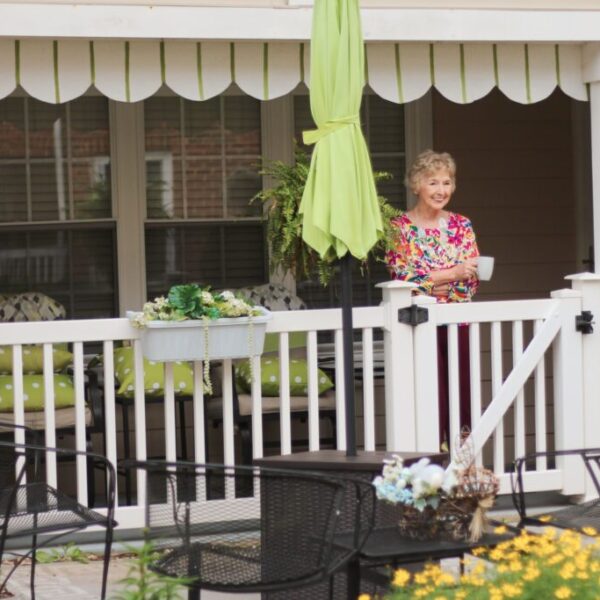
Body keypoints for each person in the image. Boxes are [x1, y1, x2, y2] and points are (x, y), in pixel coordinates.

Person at [386, 149, 480, 447]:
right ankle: (430, 464)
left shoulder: (461, 225)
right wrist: (449, 274)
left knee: (461, 395)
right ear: (416, 185)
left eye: (446, 182)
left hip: (457, 322)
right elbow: (401, 280)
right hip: (416, 323)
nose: (441, 190)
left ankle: (461, 466)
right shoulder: (399, 228)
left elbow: (473, 280)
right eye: (433, 183)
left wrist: (428, 280)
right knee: (428, 394)